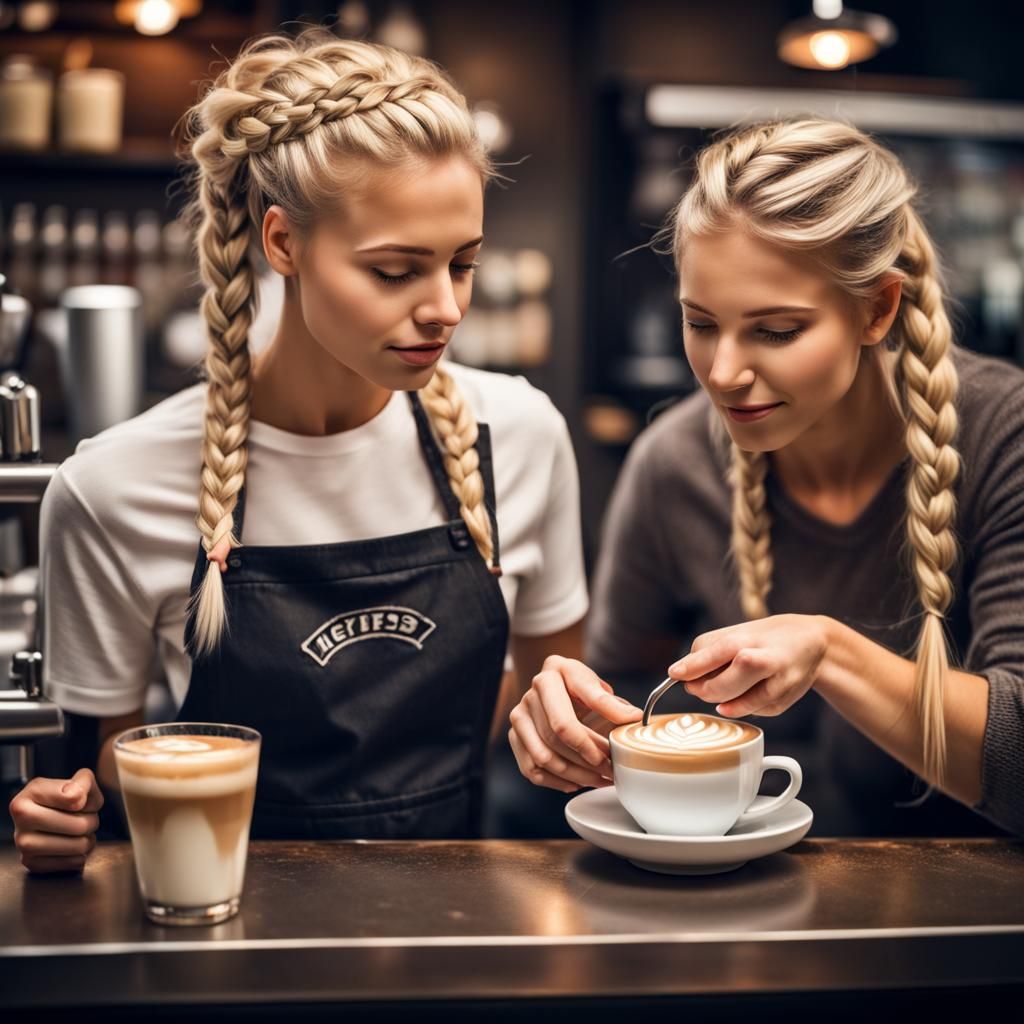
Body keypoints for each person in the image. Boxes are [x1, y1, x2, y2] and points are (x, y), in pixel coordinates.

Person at [9, 29, 588, 872]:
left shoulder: (524, 437)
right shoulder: (112, 488)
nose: (444, 310)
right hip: (219, 929)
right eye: (396, 271)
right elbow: (91, 767)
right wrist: (60, 816)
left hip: (460, 932)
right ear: (283, 243)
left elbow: (554, 683)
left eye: (462, 264)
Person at [508, 118, 1024, 838]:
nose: (723, 375)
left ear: (877, 308)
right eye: (700, 322)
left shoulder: (1005, 438)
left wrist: (832, 651)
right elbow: (628, 691)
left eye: (776, 331)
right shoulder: (673, 462)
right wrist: (569, 718)